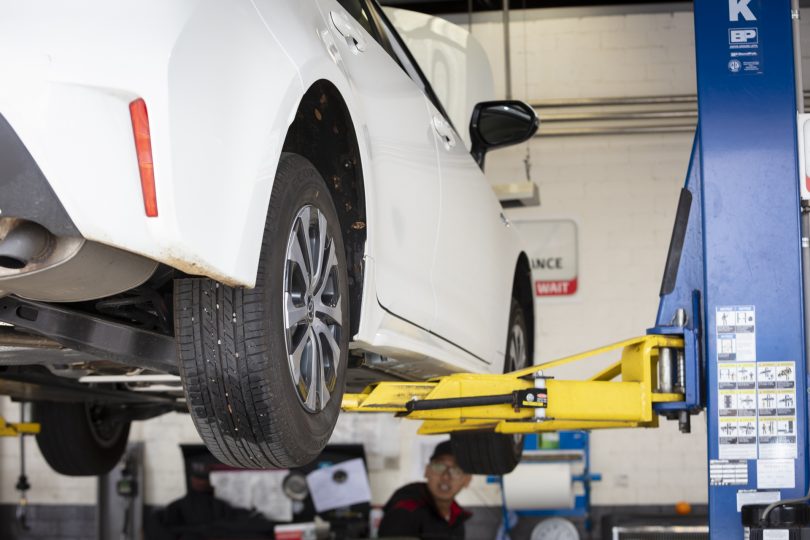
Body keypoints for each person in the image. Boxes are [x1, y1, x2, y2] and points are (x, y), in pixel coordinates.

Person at [378, 440, 472, 539]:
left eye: (456, 470)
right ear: (427, 471)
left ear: (467, 480)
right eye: (439, 466)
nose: (445, 476)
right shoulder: (405, 511)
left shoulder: (456, 517)